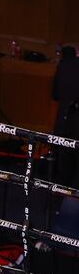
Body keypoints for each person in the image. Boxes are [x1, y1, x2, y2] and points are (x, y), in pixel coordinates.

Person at [52, 45, 79, 188]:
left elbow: (55, 95)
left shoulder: (64, 66)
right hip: (73, 127)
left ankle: (59, 207)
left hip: (64, 126)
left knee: (63, 175)